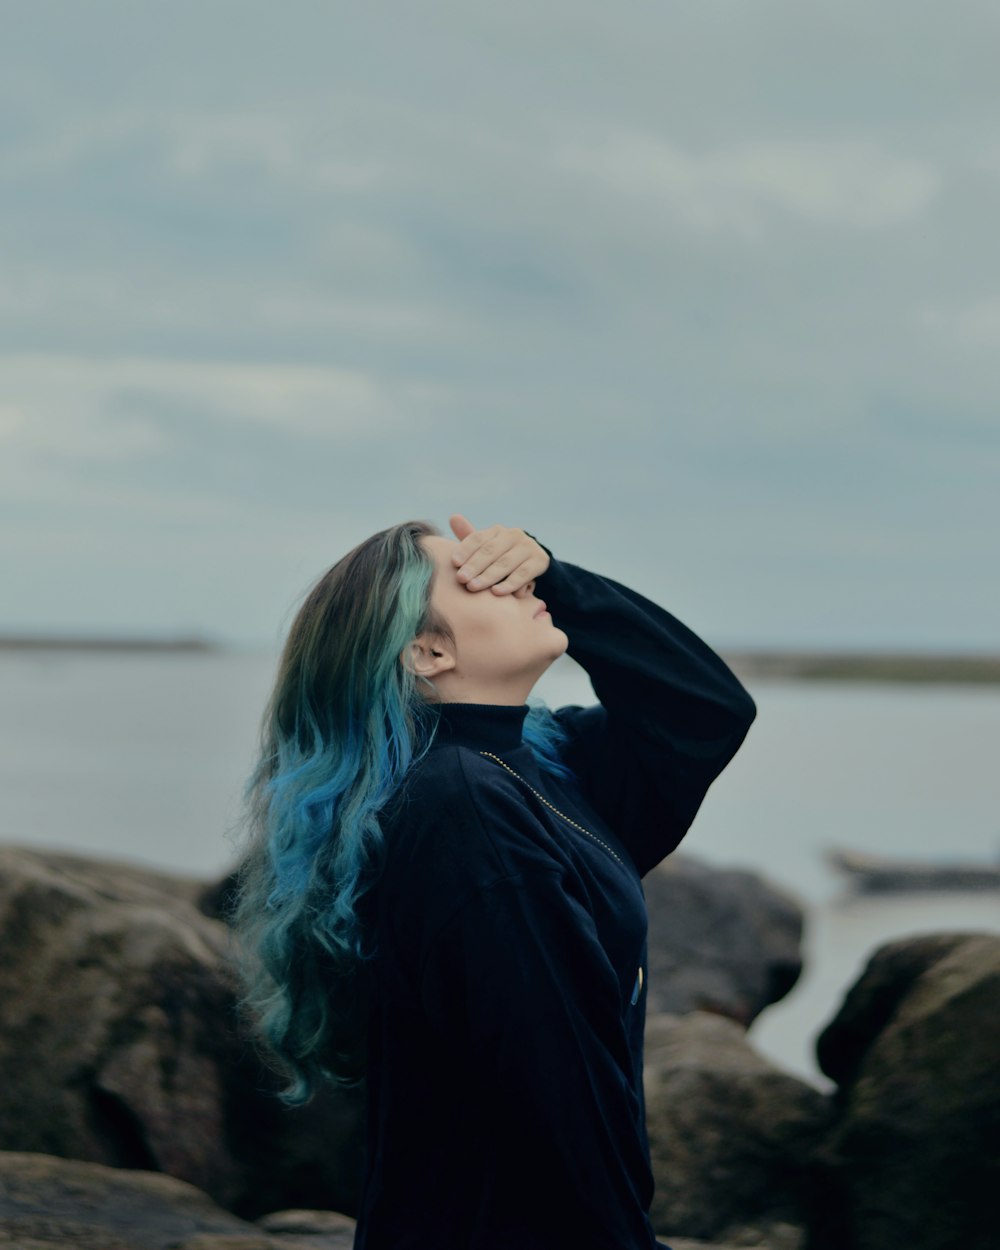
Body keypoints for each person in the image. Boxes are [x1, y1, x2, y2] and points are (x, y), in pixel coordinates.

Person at [231, 514, 757, 1250]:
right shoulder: (465, 808)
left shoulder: (539, 759)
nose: (518, 579)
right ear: (428, 649)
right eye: (478, 574)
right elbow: (556, 1090)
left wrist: (560, 579)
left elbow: (707, 712)